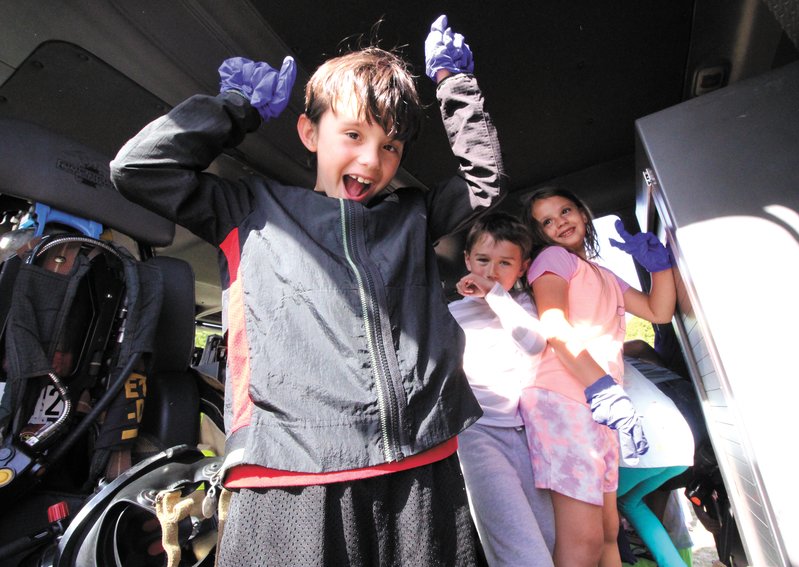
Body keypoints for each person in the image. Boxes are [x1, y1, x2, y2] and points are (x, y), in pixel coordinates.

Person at [110, 14, 505, 567]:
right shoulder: (249, 209)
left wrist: (455, 85)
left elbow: (483, 181)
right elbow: (139, 168)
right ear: (308, 133)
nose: (372, 160)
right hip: (289, 476)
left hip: (422, 465)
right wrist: (233, 108)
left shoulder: (413, 216)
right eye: (353, 135)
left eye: (391, 146)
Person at [519, 187, 676, 567]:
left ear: (583, 213)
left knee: (608, 531)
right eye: (547, 221)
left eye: (566, 210)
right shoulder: (552, 259)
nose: (560, 223)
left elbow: (659, 312)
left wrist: (660, 267)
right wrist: (602, 387)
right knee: (584, 540)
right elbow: (554, 324)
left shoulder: (601, 274)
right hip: (565, 397)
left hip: (599, 403)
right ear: (540, 234)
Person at [448, 212, 556, 566]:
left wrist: (496, 295)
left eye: (504, 263)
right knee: (517, 547)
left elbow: (534, 342)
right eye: (482, 260)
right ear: (467, 261)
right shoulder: (451, 313)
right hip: (477, 434)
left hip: (528, 433)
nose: (492, 271)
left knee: (550, 536)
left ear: (522, 268)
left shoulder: (521, 306)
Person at [617, 359, 695, 567]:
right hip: (680, 445)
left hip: (644, 447)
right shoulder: (621, 359)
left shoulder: (586, 357)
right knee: (629, 502)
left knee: (595, 506)